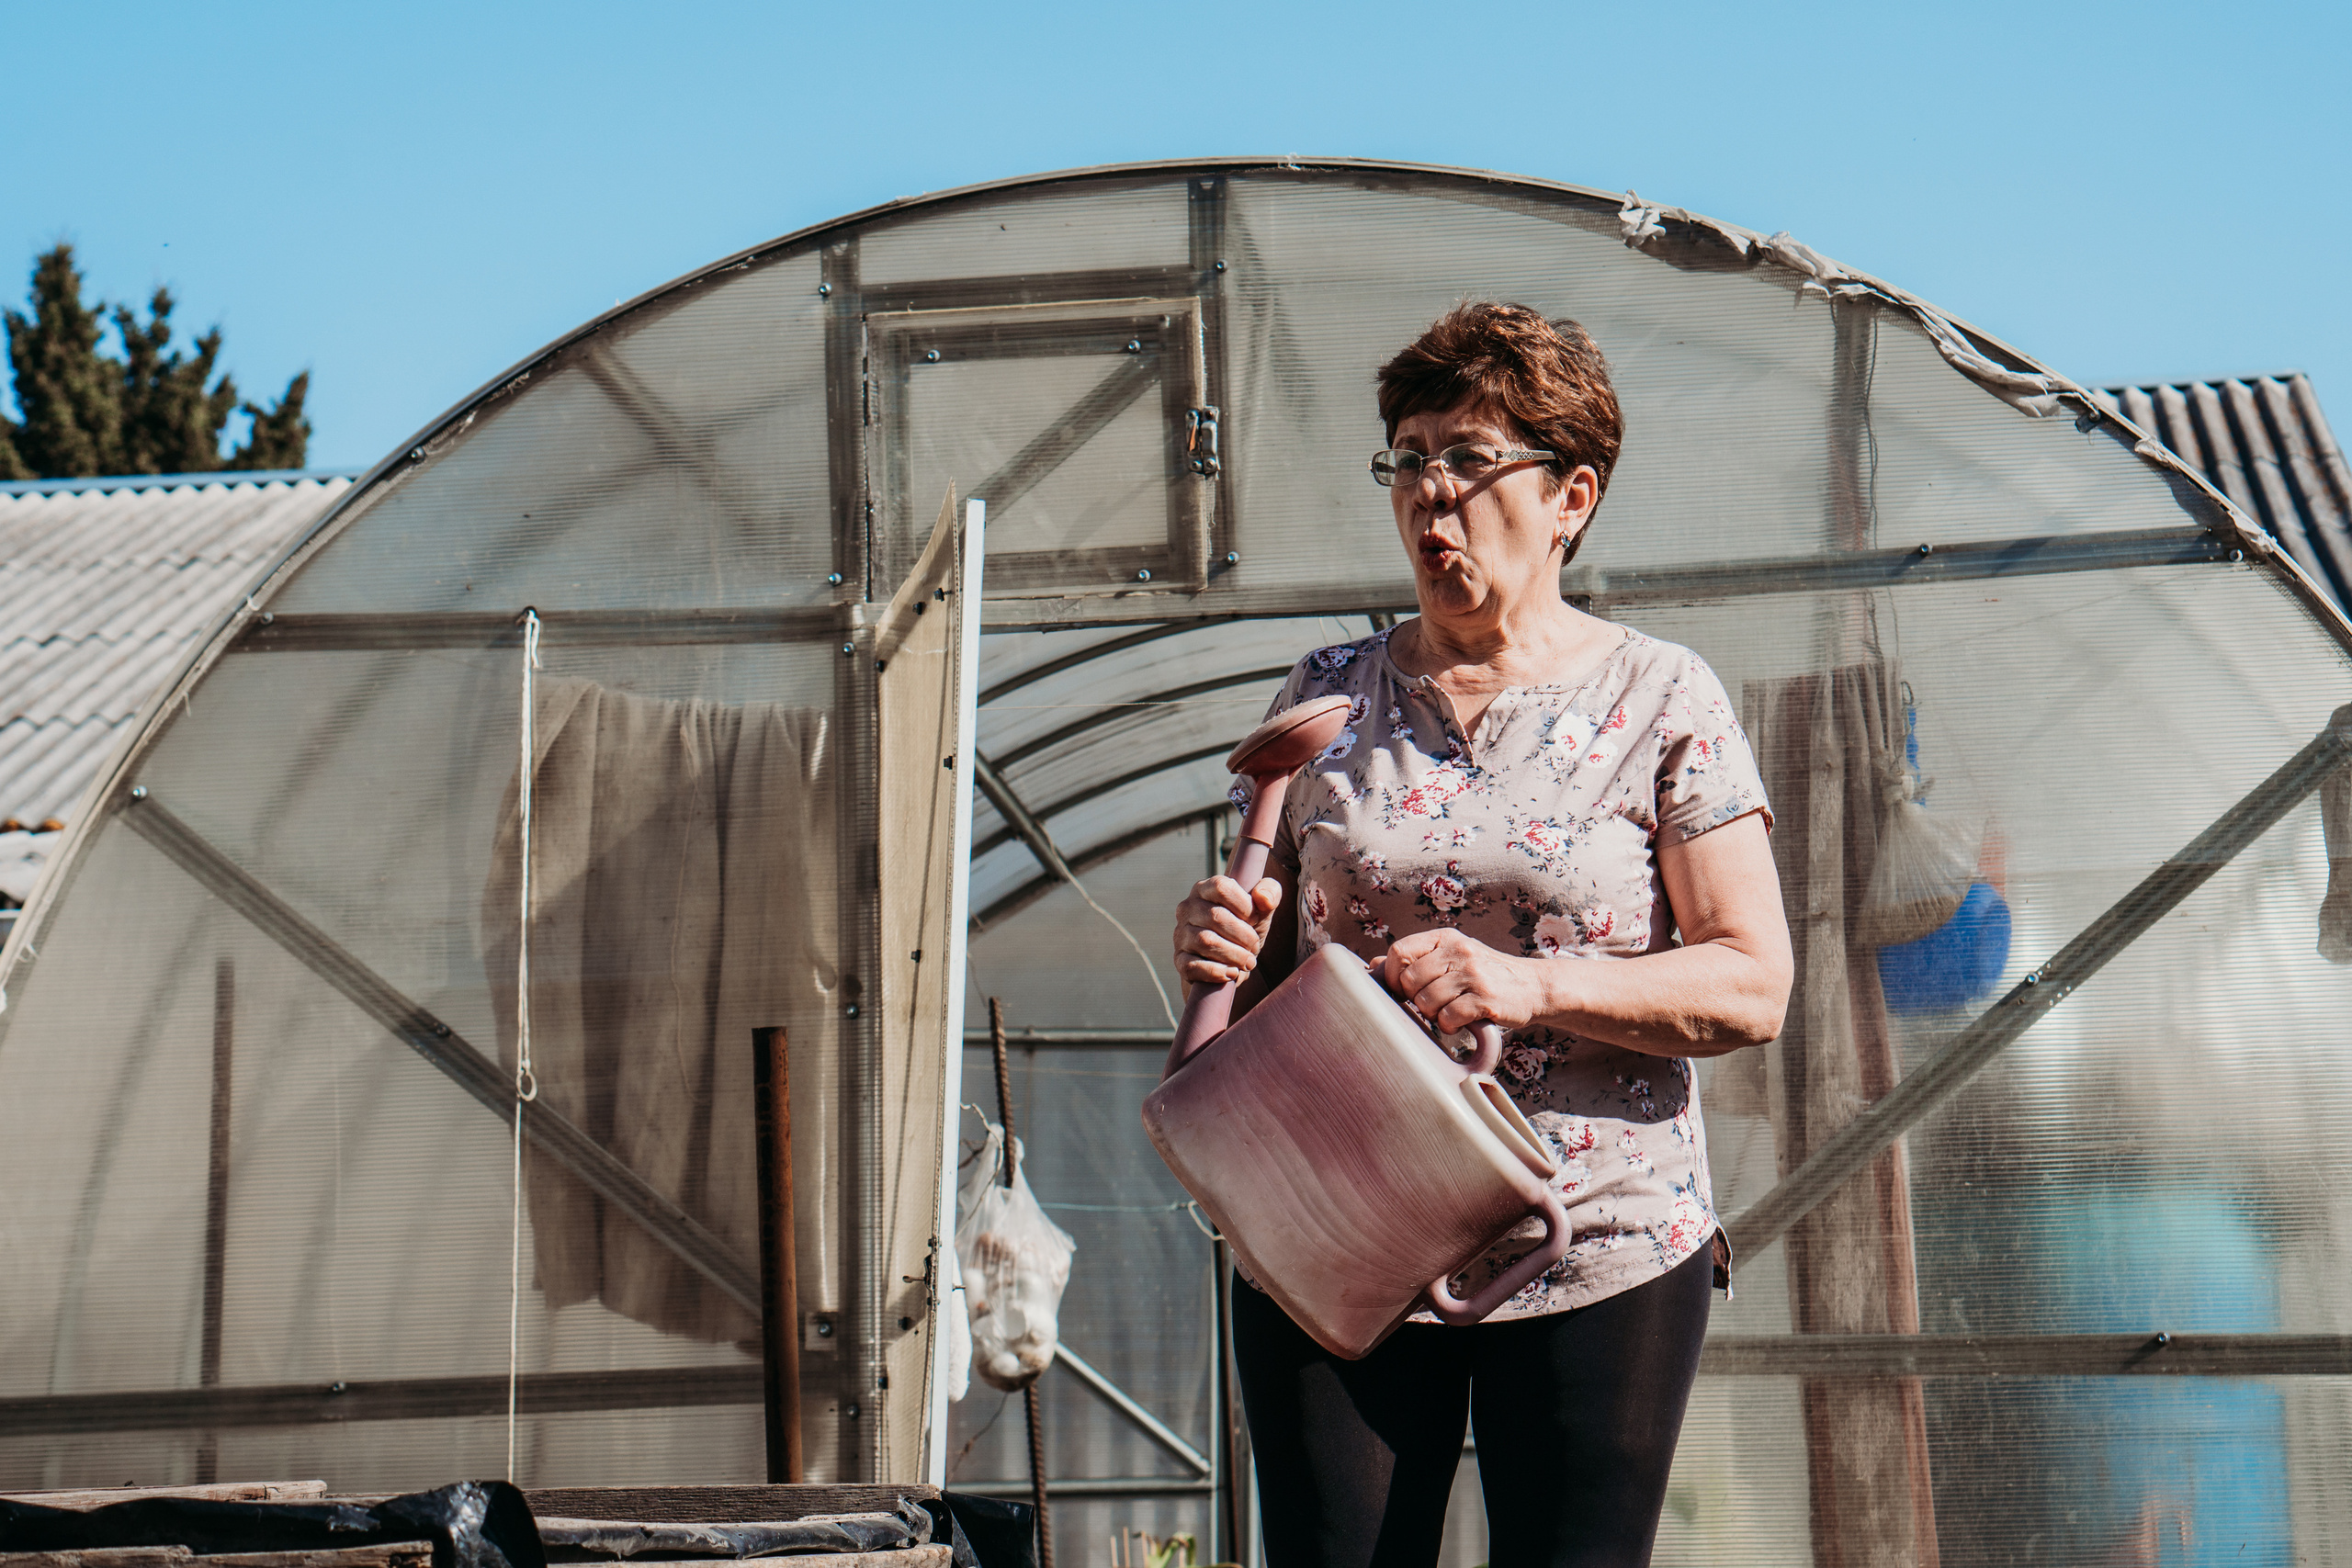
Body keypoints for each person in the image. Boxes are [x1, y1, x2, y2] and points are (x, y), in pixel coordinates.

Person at [1170, 303, 1793, 1568]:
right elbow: (1276, 976)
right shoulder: (1328, 693)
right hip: (1340, 1215)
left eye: (1467, 459)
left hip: (1598, 1235)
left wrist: (1526, 980)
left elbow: (1751, 982)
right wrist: (1226, 944)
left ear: (1572, 495)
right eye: (1408, 459)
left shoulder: (1660, 698)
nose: (1428, 495)